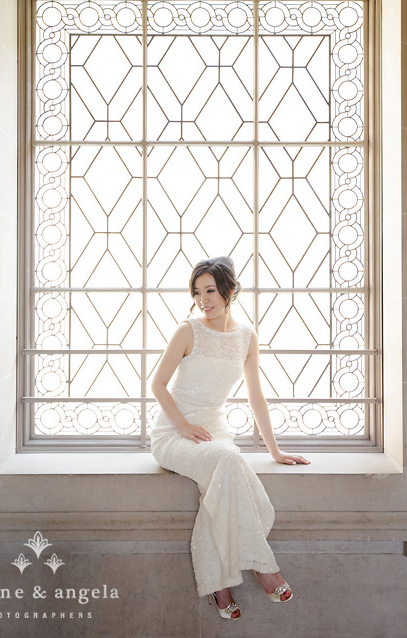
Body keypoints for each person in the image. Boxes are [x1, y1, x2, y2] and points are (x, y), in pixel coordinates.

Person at [150, 256, 310, 620]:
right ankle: (264, 567)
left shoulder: (247, 337)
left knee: (222, 475)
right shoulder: (187, 330)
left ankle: (218, 586)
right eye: (196, 292)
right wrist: (184, 427)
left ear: (230, 291)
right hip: (173, 434)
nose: (203, 300)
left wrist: (276, 450)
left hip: (214, 434)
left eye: (210, 291)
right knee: (228, 459)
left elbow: (256, 397)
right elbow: (157, 385)